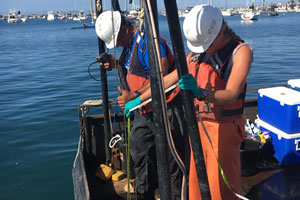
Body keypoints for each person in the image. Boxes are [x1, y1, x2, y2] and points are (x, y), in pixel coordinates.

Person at [124, 4, 253, 200]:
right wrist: (138, 100)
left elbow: (231, 94)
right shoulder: (197, 54)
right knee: (194, 186)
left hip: (223, 131)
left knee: (220, 189)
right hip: (197, 128)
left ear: (219, 32)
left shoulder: (241, 52)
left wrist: (200, 93)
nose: (205, 48)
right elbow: (167, 80)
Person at [95, 11, 187, 200]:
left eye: (117, 39)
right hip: (144, 110)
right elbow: (136, 68)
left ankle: (175, 196)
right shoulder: (129, 46)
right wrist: (116, 63)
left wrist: (134, 95)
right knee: (140, 147)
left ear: (125, 28)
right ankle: (144, 191)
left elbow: (161, 76)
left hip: (166, 110)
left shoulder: (150, 43)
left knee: (172, 161)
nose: (117, 44)